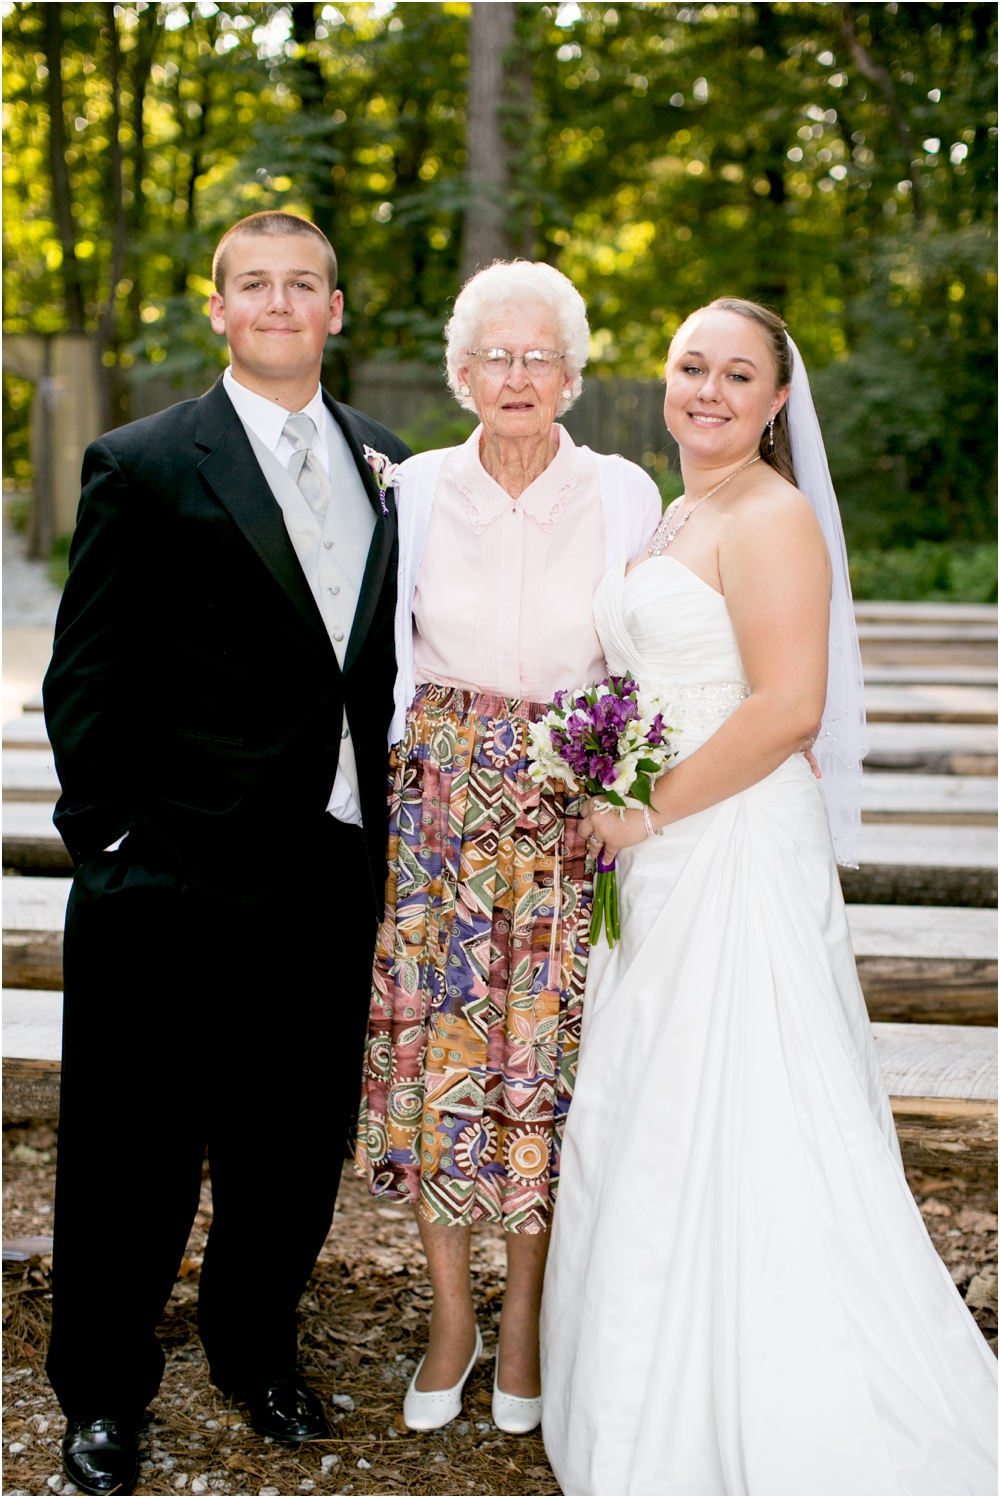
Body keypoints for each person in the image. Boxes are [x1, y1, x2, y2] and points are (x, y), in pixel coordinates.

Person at [541, 298, 998, 1495]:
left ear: (777, 400)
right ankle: (646, 1385)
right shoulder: (681, 508)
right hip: (667, 849)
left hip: (729, 845)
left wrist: (649, 805)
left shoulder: (776, 514)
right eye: (690, 364)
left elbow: (789, 706)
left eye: (737, 374)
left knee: (751, 1106)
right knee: (657, 1109)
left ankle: (780, 1404)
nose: (707, 388)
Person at [43, 211, 409, 1497]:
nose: (276, 301)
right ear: (218, 309)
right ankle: (101, 1392)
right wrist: (113, 843)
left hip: (328, 871)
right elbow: (82, 674)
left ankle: (252, 1351)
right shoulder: (141, 462)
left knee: (291, 1146)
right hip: (171, 876)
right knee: (130, 1155)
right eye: (252, 284)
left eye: (300, 283)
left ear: (335, 308)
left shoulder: (390, 464)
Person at [354, 260, 662, 1436]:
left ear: (574, 373)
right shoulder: (417, 487)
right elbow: (374, 653)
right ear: (461, 372)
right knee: (441, 1063)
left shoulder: (626, 492)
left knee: (542, 1063)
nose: (518, 376)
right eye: (496, 355)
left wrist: (630, 790)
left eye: (540, 356)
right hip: (438, 809)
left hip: (566, 809)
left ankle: (524, 1320)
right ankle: (450, 1318)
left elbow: (650, 656)